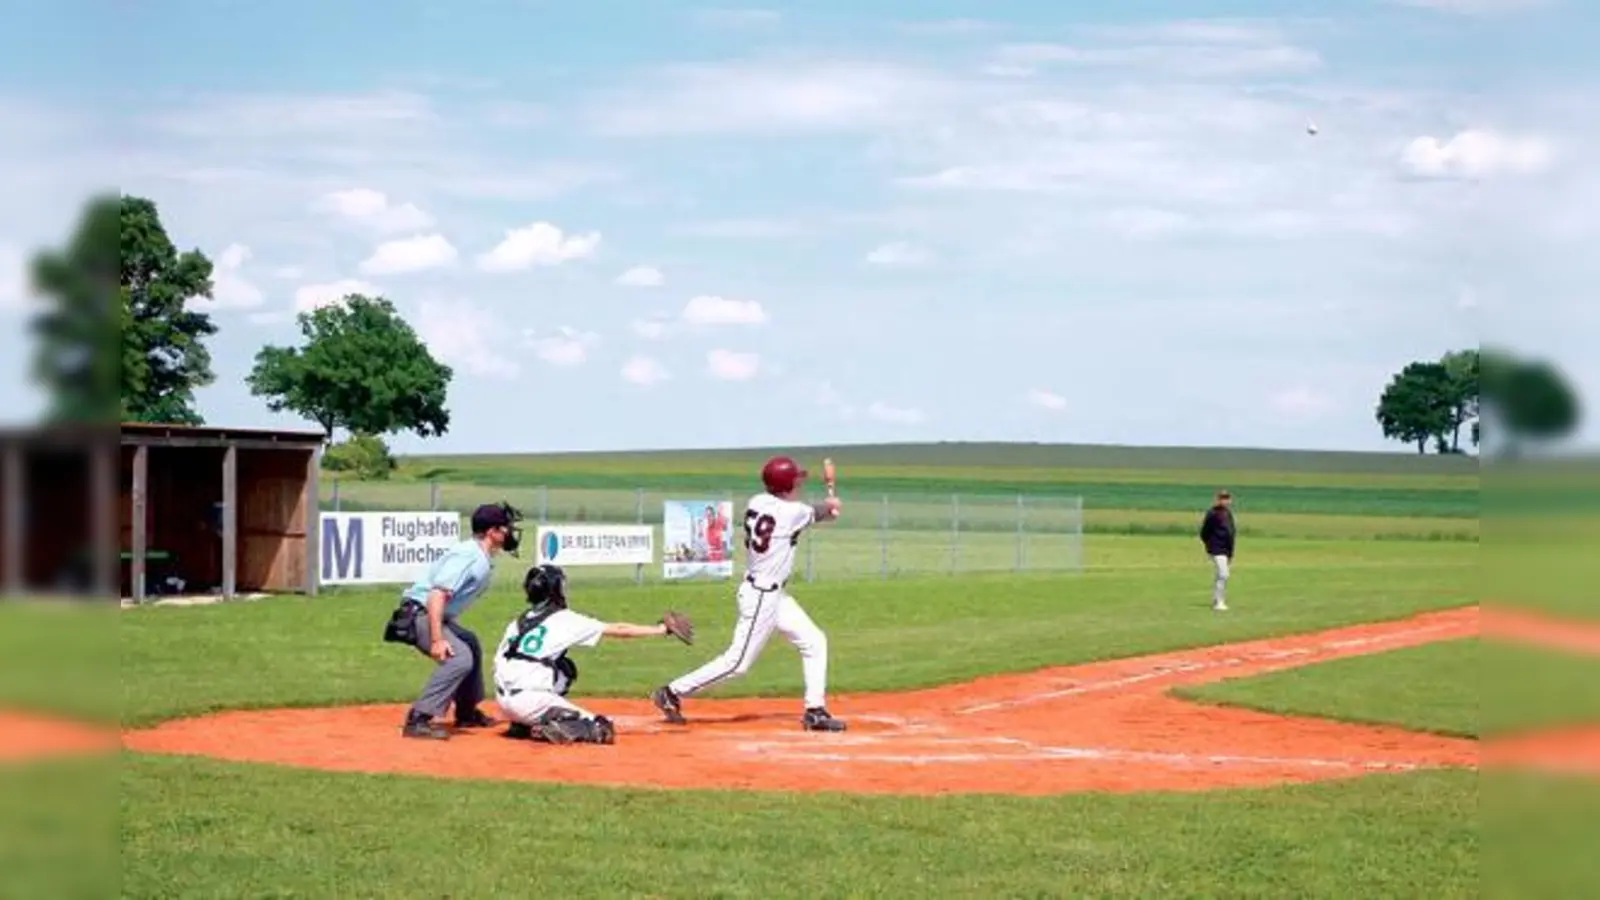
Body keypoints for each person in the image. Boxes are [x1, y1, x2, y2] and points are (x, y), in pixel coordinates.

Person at [650, 455, 846, 732]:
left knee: (814, 641)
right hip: (762, 596)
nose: (799, 484)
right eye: (795, 481)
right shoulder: (793, 512)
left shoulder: (758, 501)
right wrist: (832, 505)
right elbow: (823, 512)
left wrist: (827, 509)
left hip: (774, 594)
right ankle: (671, 692)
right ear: (786, 485)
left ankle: (815, 711)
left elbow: (814, 512)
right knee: (738, 663)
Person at [493, 563, 692, 744]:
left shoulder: (516, 623)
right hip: (530, 702)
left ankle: (522, 724)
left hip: (503, 702)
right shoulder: (564, 619)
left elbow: (499, 662)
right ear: (555, 591)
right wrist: (661, 629)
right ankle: (543, 727)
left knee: (564, 668)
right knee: (601, 728)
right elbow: (620, 630)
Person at [384, 501, 523, 740]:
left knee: (469, 642)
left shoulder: (478, 555)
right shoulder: (470, 556)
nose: (509, 532)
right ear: (492, 532)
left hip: (427, 612)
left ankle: (466, 712)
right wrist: (437, 640)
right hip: (419, 614)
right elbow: (436, 595)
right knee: (459, 658)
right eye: (505, 527)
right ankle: (419, 718)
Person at [1198, 490, 1236, 611]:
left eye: (1227, 498)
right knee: (1224, 574)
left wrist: (1230, 552)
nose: (1225, 501)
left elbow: (1231, 533)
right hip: (1216, 548)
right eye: (1222, 498)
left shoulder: (1228, 513)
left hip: (1226, 549)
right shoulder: (1213, 513)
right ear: (1218, 499)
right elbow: (1204, 532)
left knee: (1221, 574)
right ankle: (1219, 602)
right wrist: (1210, 545)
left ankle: (1217, 599)